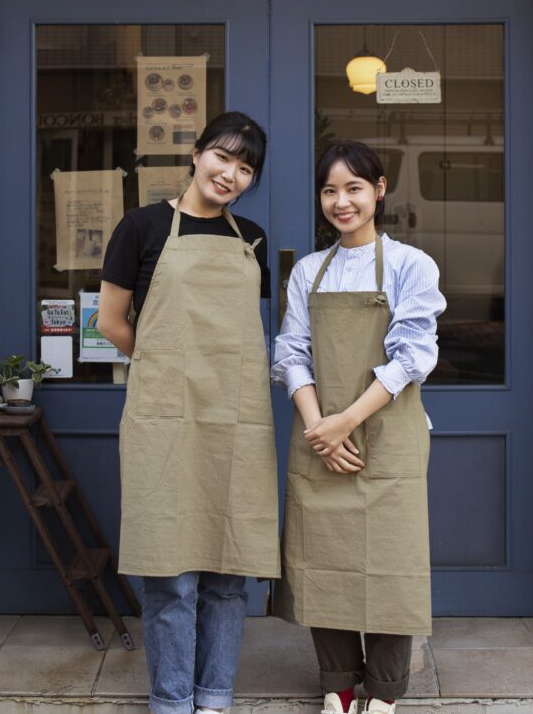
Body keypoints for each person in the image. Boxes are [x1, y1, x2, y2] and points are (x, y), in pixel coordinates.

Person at [97, 111, 278, 714]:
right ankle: (173, 700)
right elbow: (110, 322)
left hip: (235, 421)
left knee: (229, 572)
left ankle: (215, 695)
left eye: (245, 167)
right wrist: (162, 366)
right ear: (197, 154)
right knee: (169, 573)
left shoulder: (250, 238)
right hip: (164, 419)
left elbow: (239, 333)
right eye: (222, 157)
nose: (230, 174)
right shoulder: (141, 227)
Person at [272, 140, 445, 714]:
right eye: (329, 190)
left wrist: (344, 420)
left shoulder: (409, 265)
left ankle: (385, 694)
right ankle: (338, 687)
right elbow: (291, 352)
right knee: (324, 560)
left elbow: (414, 356)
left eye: (353, 188)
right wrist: (318, 425)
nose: (341, 202)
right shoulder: (307, 272)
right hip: (320, 434)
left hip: (387, 436)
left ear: (379, 190)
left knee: (391, 563)